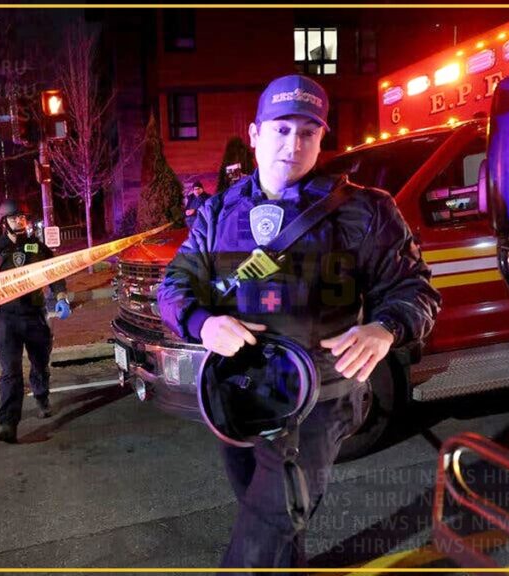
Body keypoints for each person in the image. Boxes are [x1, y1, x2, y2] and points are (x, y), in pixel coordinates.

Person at [157, 74, 441, 571]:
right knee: (271, 523)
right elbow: (174, 287)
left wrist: (385, 328)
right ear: (254, 133)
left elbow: (415, 290)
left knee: (263, 532)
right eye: (281, 128)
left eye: (307, 132)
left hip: (320, 400)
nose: (293, 144)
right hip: (237, 396)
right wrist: (202, 323)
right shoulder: (218, 212)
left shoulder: (366, 211)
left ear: (321, 138)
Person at [0, 199, 72, 444]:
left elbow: (55, 272)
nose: (20, 221)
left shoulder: (36, 246)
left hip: (34, 316)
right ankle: (8, 422)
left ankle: (41, 396)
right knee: (10, 372)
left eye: (23, 217)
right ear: (4, 222)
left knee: (39, 364)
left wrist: (62, 297)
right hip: (7, 320)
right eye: (14, 218)